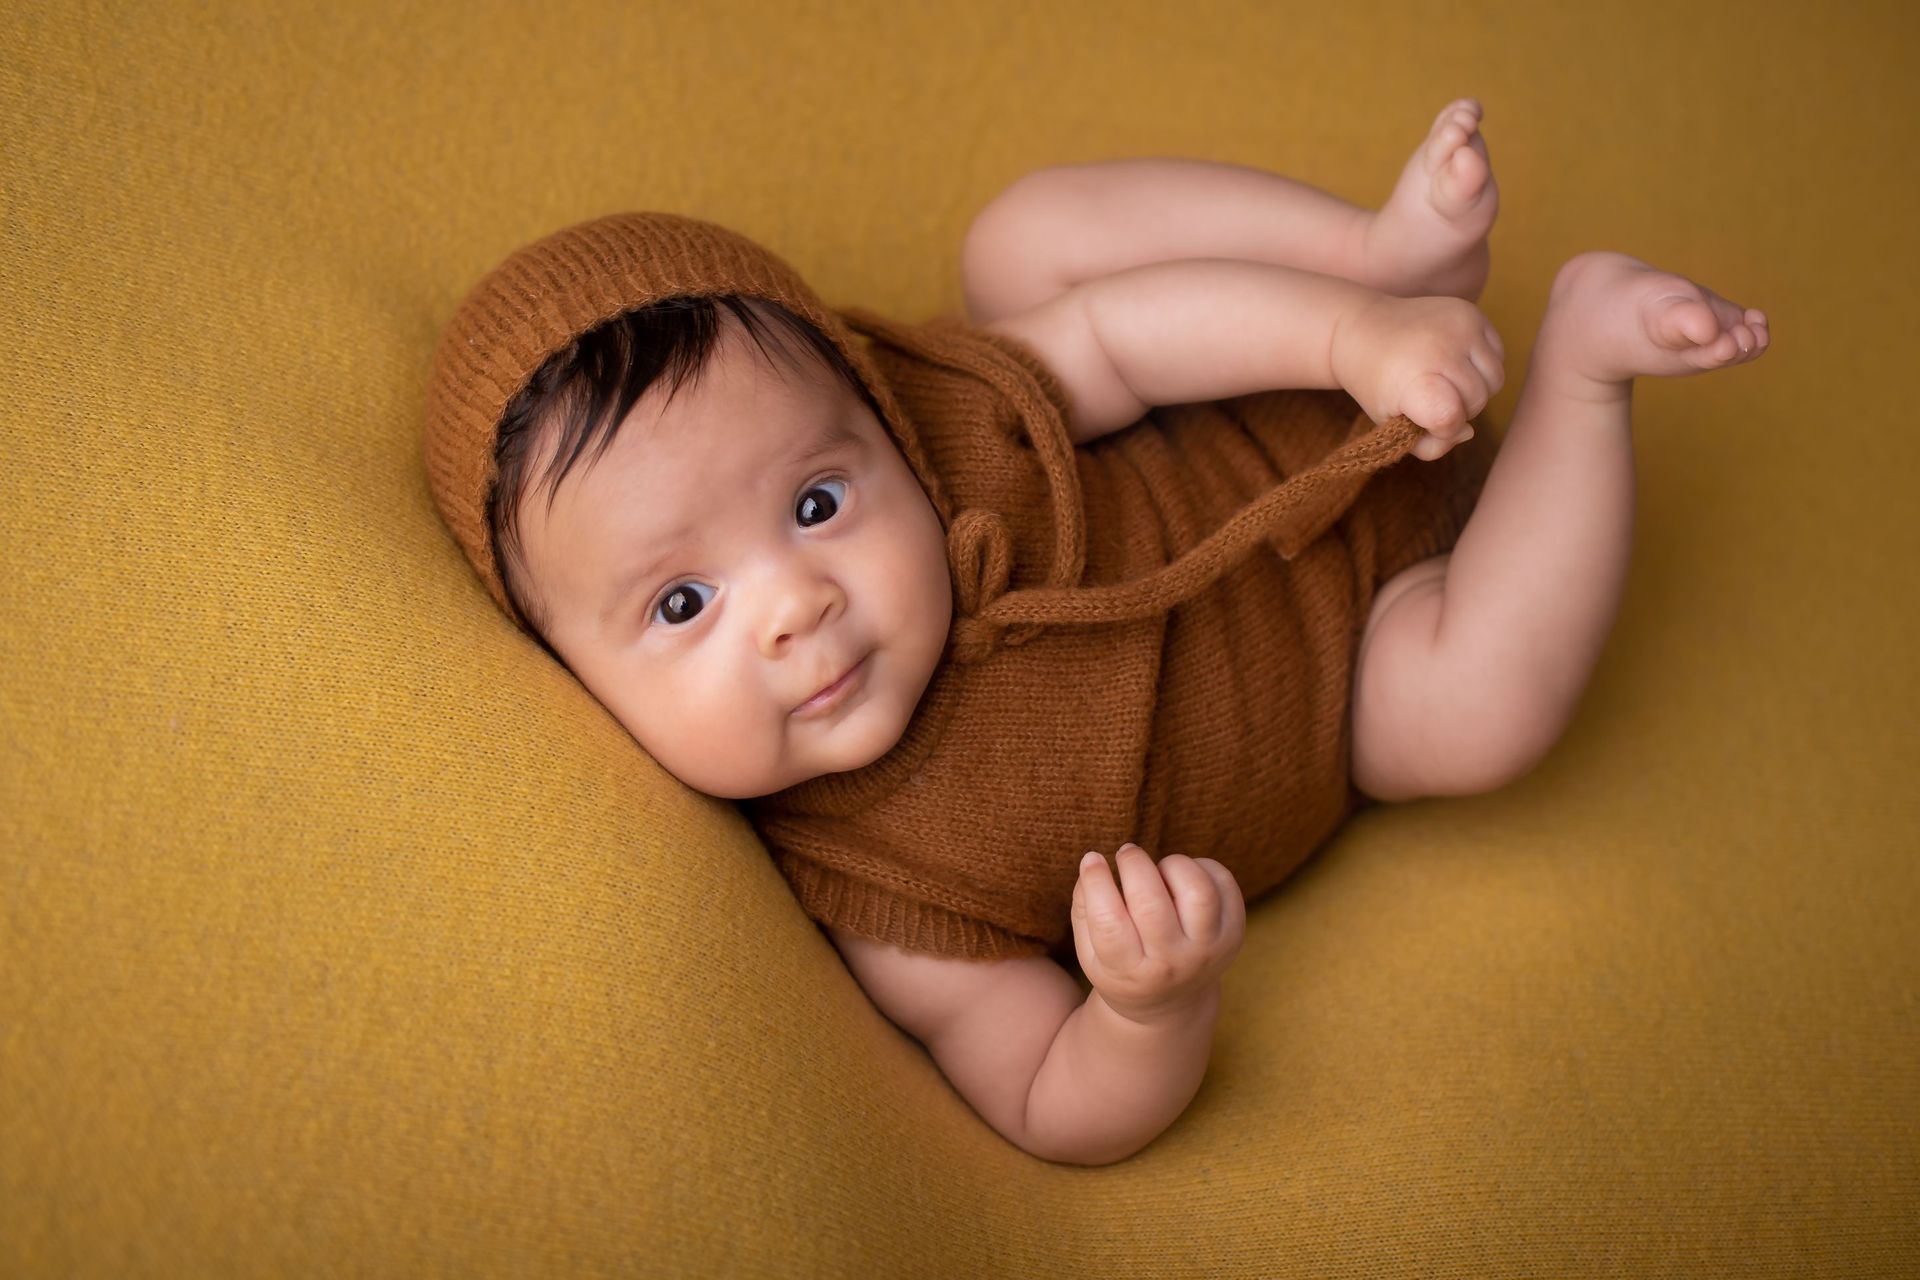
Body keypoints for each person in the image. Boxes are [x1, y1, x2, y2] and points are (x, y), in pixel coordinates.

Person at [421, 98, 1770, 1166]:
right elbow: (1045, 1102)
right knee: (1473, 720)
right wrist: (1145, 1013)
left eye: (818, 501)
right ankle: (1586, 373)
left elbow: (1128, 342)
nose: (795, 604)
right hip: (1356, 663)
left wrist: (1351, 332)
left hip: (1290, 367)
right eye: (680, 604)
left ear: (872, 409)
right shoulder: (888, 889)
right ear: (574, 682)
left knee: (1026, 241)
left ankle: (1374, 254)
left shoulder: (954, 421)